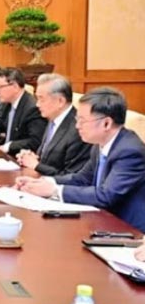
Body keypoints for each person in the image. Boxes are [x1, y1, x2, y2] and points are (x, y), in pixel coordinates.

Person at [16, 87, 145, 232]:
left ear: (106, 123)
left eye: (82, 121)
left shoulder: (129, 151)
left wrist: (54, 191)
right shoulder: (100, 143)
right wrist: (45, 182)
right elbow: (81, 178)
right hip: (103, 220)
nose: (77, 126)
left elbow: (106, 196)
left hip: (128, 230)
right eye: (77, 120)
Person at [15, 74, 91, 175]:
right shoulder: (53, 119)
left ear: (60, 101)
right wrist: (30, 158)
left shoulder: (78, 129)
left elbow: (70, 176)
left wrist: (36, 165)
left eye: (42, 99)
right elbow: (48, 159)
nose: (37, 104)